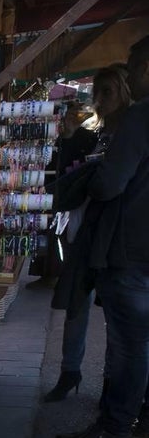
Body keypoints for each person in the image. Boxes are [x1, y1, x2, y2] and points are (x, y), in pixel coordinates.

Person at [56, 35, 149, 438]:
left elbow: (110, 184)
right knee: (140, 341)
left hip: (129, 246)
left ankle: (116, 427)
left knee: (129, 343)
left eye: (134, 66)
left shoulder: (141, 116)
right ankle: (138, 422)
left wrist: (92, 175)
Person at [45, 66, 132, 402]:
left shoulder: (131, 136)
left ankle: (111, 381)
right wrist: (68, 137)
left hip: (115, 235)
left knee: (115, 312)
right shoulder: (90, 134)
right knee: (76, 304)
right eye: (97, 92)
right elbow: (59, 177)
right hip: (81, 231)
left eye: (107, 91)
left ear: (124, 91)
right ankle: (70, 372)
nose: (99, 99)